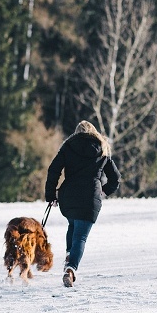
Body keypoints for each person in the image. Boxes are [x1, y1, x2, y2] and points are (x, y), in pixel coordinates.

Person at [45, 121, 121, 287]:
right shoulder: (102, 149)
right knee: (80, 235)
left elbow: (54, 170)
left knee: (72, 225)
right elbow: (115, 178)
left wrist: (51, 195)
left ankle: (68, 256)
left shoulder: (68, 146)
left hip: (69, 197)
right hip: (90, 199)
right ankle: (71, 269)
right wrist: (105, 190)